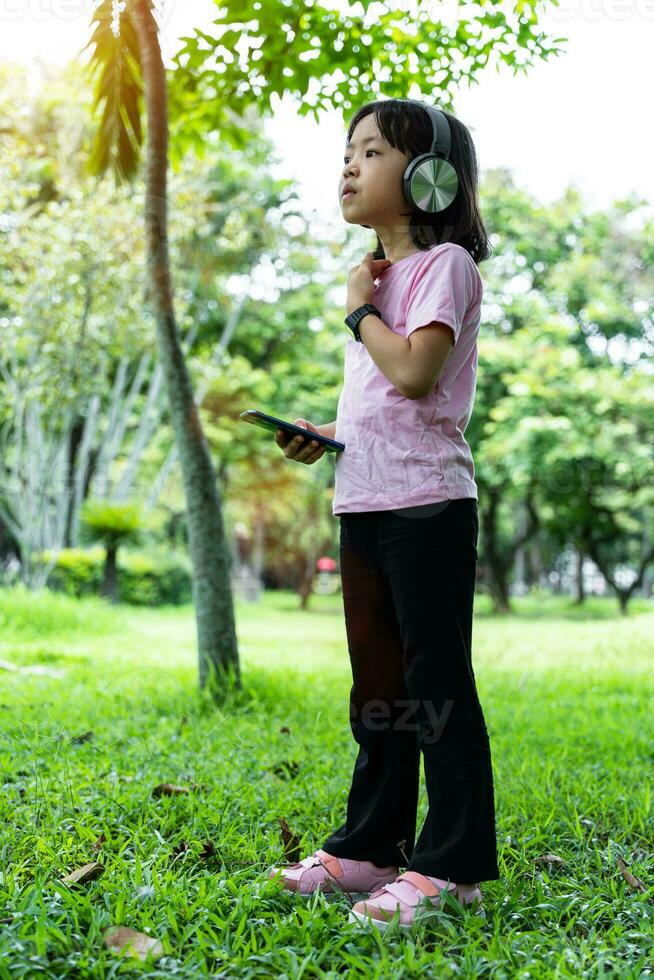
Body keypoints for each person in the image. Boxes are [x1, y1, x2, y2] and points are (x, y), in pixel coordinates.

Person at [268, 97, 499, 933]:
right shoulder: (380, 279)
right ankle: (372, 846)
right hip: (363, 497)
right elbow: (381, 401)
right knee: (380, 694)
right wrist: (325, 434)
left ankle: (455, 865)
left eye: (371, 151)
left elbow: (413, 375)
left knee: (435, 686)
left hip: (427, 505)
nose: (350, 165)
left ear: (429, 176)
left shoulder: (443, 269)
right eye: (348, 151)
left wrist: (359, 311)